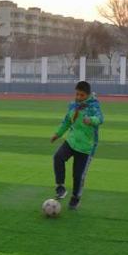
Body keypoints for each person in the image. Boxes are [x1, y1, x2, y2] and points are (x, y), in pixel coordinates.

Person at [50, 81, 103, 210]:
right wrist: (57, 134)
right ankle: (61, 187)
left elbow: (100, 119)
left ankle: (75, 197)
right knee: (58, 157)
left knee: (78, 175)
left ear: (88, 94)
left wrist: (91, 120)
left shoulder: (93, 105)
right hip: (71, 141)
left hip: (86, 146)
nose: (78, 97)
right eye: (77, 94)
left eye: (82, 95)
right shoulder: (73, 105)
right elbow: (67, 121)